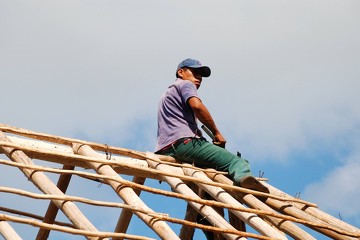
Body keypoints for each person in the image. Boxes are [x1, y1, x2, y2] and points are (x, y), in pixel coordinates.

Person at [155, 58, 268, 239]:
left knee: (206, 196)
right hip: (185, 144)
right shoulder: (185, 85)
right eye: (195, 72)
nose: (198, 78)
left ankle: (212, 229)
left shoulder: (167, 94)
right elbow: (197, 106)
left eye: (201, 75)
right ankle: (243, 179)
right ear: (181, 72)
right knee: (235, 161)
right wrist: (216, 133)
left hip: (167, 148)